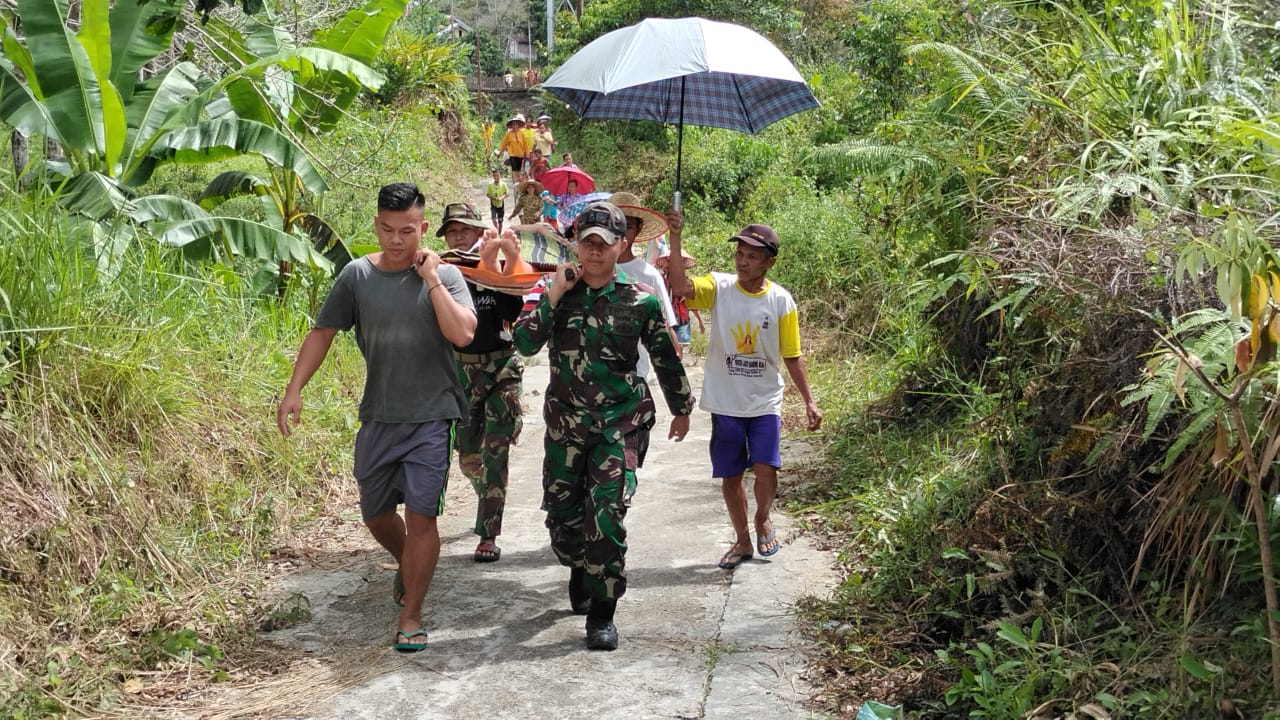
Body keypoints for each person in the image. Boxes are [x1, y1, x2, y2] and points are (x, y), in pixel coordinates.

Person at [276, 183, 477, 653]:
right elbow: (323, 331)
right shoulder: (356, 277)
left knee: (422, 516)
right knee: (375, 515)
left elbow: (464, 335)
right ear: (376, 226)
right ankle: (408, 563)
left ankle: (411, 615)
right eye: (387, 230)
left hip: (432, 415)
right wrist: (293, 389)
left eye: (407, 230)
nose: (396, 240)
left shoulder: (446, 277)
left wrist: (430, 280)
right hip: (380, 416)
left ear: (423, 228)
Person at [513, 202, 694, 651]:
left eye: (603, 243)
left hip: (620, 423)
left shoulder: (641, 301)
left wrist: (682, 407)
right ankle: (579, 565)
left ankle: (602, 612)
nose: (594, 251)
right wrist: (553, 295)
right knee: (563, 519)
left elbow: (667, 358)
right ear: (576, 244)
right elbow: (523, 342)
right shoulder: (555, 291)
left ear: (620, 246)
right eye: (587, 242)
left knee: (607, 516)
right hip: (566, 427)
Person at [664, 211, 822, 572]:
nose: (743, 261)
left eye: (752, 256)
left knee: (767, 467)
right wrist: (676, 237)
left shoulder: (781, 301)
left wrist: (810, 401)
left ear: (769, 262)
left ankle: (763, 517)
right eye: (739, 254)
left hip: (765, 400)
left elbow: (792, 354)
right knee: (731, 474)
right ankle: (742, 539)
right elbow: (681, 287)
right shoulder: (719, 288)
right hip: (726, 401)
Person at [436, 202, 527, 563]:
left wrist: (492, 266)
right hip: (460, 372)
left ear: (479, 232)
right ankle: (487, 493)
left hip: (501, 369)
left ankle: (488, 533)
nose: (459, 237)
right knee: (468, 456)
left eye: (465, 230)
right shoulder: (441, 270)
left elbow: (511, 314)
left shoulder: (501, 268)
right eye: (453, 231)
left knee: (496, 451)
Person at [608, 191, 682, 378]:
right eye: (616, 225)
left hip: (636, 372)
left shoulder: (649, 275)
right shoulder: (592, 269)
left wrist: (672, 347)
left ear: (639, 228)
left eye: (628, 226)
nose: (622, 233)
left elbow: (665, 321)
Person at [497, 114, 532, 183]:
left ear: (518, 125)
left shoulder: (521, 134)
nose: (514, 126)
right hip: (512, 154)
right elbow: (504, 144)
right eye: (513, 125)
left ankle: (518, 181)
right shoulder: (509, 134)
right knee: (514, 169)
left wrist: (527, 153)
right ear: (511, 126)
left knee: (518, 170)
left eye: (516, 124)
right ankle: (515, 182)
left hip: (520, 154)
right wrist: (500, 153)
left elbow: (525, 145)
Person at [486, 168, 509, 233]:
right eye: (495, 176)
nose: (496, 177)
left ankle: (499, 233)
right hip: (493, 204)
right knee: (493, 219)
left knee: (500, 221)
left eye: (498, 176)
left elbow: (507, 194)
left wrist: (501, 197)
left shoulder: (503, 184)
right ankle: (496, 231)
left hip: (501, 205)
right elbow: (487, 194)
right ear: (493, 176)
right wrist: (493, 197)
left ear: (500, 176)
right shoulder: (490, 185)